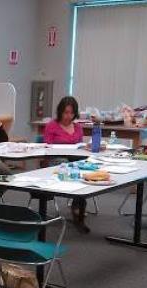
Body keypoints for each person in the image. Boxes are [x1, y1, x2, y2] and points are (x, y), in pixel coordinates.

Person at [44, 96, 89, 233]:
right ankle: (78, 208)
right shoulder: (52, 125)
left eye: (71, 113)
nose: (68, 116)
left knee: (85, 169)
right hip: (56, 159)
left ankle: (78, 205)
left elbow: (80, 146)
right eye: (65, 112)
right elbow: (47, 147)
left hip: (74, 158)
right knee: (68, 167)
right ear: (60, 112)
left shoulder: (78, 127)